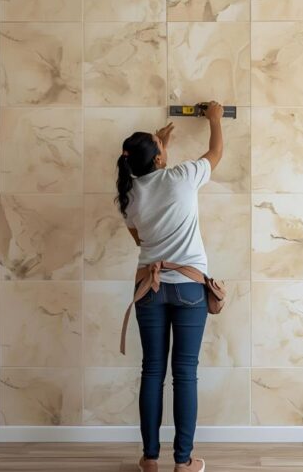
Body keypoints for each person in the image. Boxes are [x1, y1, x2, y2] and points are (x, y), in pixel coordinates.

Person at [115, 101, 224, 472]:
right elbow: (216, 153)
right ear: (159, 159)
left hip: (150, 289)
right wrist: (214, 119)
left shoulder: (129, 196)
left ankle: (149, 460)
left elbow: (140, 239)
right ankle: (183, 462)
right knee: (185, 374)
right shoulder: (183, 176)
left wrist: (160, 150)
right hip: (190, 289)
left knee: (152, 371)